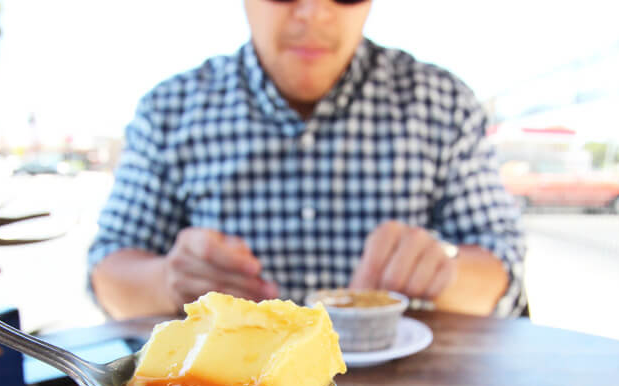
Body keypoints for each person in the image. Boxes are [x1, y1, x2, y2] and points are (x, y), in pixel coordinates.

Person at [89, 0, 526, 319]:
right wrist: (169, 278)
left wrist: (444, 268)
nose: (314, 10)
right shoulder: (170, 110)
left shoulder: (443, 103)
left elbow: (503, 267)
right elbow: (107, 275)